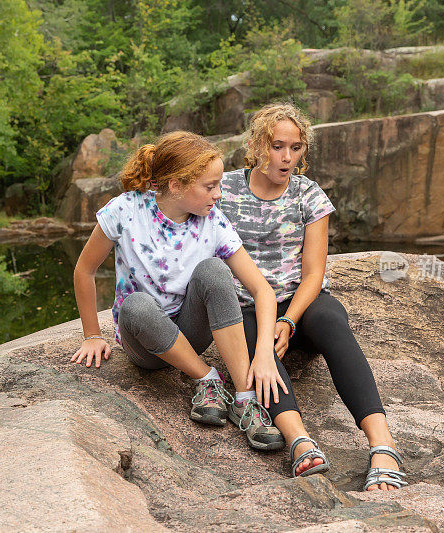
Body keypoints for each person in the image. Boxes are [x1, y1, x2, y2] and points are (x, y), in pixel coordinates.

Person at [218, 103, 408, 490]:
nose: (287, 157)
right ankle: (300, 441)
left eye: (296, 147)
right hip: (245, 305)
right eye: (277, 146)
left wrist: (289, 320)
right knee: (256, 343)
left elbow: (314, 274)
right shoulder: (225, 189)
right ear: (256, 145)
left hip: (299, 303)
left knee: (331, 320)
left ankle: (383, 444)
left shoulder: (309, 195)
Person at [71, 131, 292, 453]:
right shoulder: (125, 211)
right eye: (209, 186)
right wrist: (92, 334)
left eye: (218, 185)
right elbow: (84, 270)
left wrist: (263, 356)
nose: (218, 194)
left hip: (193, 331)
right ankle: (208, 379)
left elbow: (262, 290)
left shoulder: (212, 221)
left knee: (214, 270)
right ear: (175, 185)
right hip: (147, 345)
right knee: (136, 305)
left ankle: (244, 398)